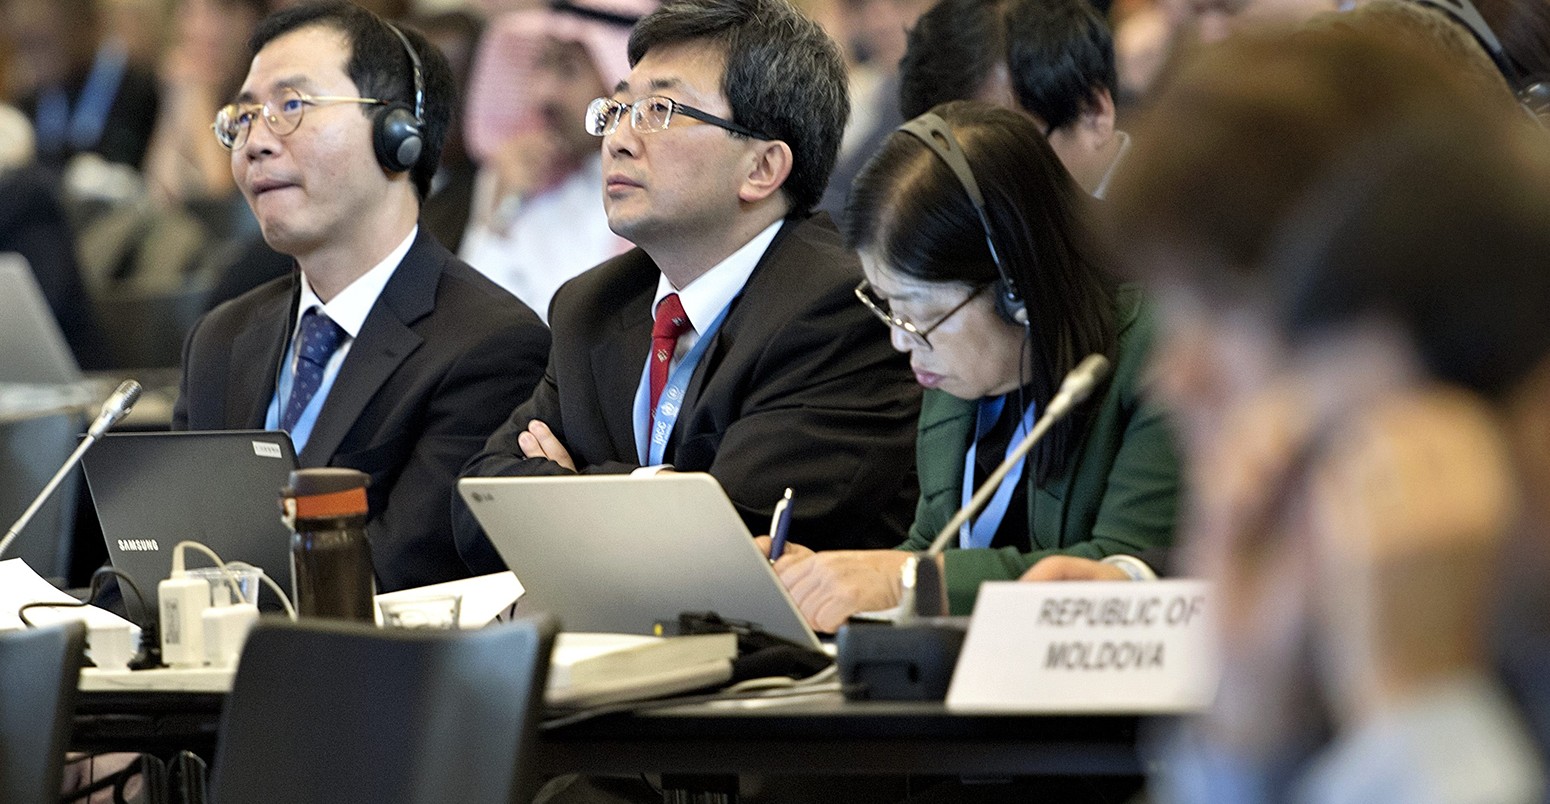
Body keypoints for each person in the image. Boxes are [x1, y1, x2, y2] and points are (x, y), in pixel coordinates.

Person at [1103, 24, 1548, 802]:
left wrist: (1419, 711)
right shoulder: (1316, 614)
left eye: (1219, 308)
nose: (1173, 381)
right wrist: (1244, 731)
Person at [455, 0, 922, 574]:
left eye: (659, 110)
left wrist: (573, 483)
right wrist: (662, 487)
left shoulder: (840, 310)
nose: (618, 139)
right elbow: (479, 506)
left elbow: (734, 536)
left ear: (761, 168)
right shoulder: (593, 307)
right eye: (619, 108)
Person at [174, 1, 550, 591]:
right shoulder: (222, 337)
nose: (253, 145)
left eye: (291, 107)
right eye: (242, 118)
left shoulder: (489, 345)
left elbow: (400, 572)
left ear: (398, 135)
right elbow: (166, 552)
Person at [769, 101, 1180, 631]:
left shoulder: (1159, 352)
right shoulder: (957, 371)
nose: (900, 340)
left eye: (922, 312)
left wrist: (906, 580)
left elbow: (1120, 575)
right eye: (889, 308)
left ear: (1016, 289)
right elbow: (936, 544)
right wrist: (824, 580)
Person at [455, 0, 645, 320]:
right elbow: (465, 310)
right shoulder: (515, 165)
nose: (544, 94)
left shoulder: (647, 181)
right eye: (542, 64)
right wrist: (504, 204)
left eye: (568, 70)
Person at [898, 0, 1132, 198]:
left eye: (1009, 161)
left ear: (1094, 112)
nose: (992, 200)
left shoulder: (1159, 227)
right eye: (963, 176)